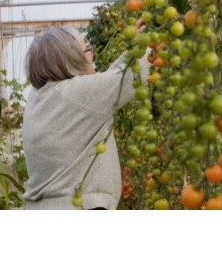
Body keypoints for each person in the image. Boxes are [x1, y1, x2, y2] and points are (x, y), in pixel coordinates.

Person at [22, 24, 150, 210]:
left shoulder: (39, 96)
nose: (92, 55)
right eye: (87, 50)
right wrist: (155, 40)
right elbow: (131, 77)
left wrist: (134, 47)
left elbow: (108, 85)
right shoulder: (77, 94)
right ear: (71, 60)